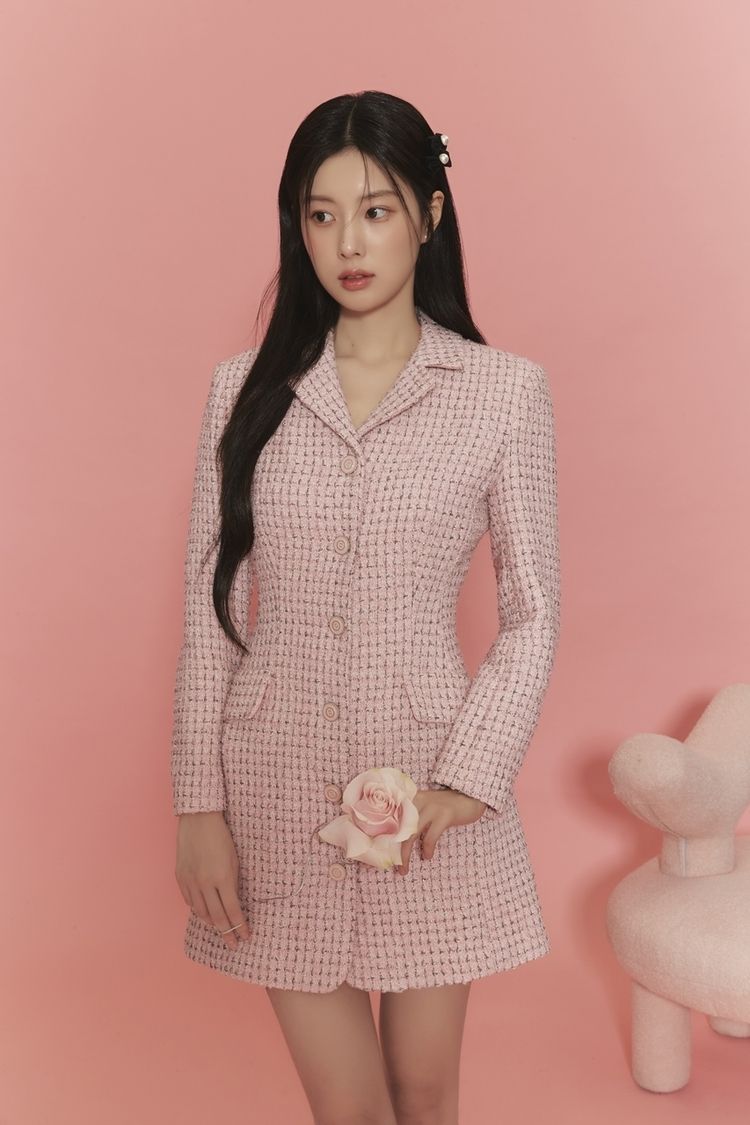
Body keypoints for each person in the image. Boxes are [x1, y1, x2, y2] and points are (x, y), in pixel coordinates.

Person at [170, 89, 561, 1125]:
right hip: (273, 788)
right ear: (297, 226)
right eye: (322, 213)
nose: (348, 241)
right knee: (345, 1108)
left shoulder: (501, 391)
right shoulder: (244, 391)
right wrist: (197, 806)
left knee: (425, 1096)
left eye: (377, 210)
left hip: (431, 791)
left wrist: (469, 779)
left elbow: (532, 610)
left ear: (428, 214)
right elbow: (210, 608)